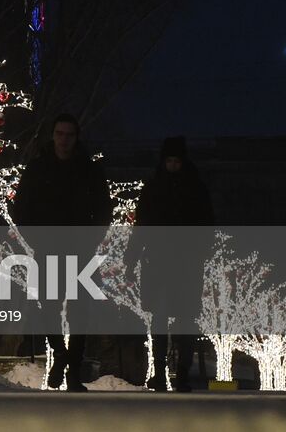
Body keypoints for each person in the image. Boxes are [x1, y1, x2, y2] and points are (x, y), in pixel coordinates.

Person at [13, 113, 113, 391]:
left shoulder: (90, 171)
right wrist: (35, 239)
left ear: (76, 137)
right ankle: (60, 353)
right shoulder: (38, 168)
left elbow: (104, 209)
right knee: (49, 305)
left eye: (69, 134)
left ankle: (73, 372)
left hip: (81, 247)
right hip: (48, 246)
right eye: (60, 133)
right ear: (53, 135)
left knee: (80, 311)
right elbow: (21, 208)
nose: (64, 139)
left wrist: (94, 238)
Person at [124, 136, 214, 392]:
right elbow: (141, 226)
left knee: (178, 318)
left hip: (175, 261)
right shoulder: (181, 188)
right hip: (168, 261)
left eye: (176, 161)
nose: (173, 165)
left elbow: (206, 225)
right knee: (166, 318)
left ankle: (177, 372)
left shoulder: (185, 188)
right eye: (170, 161)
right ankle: (165, 372)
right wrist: (131, 259)